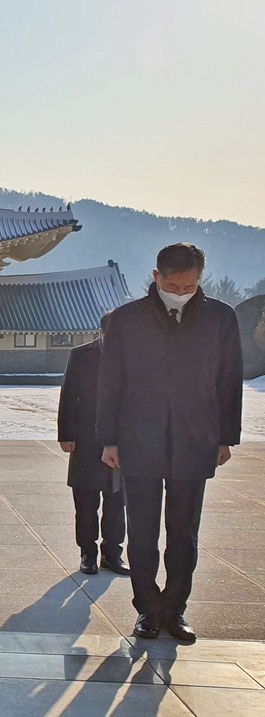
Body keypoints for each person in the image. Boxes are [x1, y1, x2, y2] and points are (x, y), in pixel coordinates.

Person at [97, 243, 242, 643]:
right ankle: (146, 608)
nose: (181, 293)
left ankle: (175, 609)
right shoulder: (128, 320)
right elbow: (111, 383)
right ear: (156, 276)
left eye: (190, 286)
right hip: (138, 438)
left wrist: (226, 437)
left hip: (196, 438)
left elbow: (229, 381)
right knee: (141, 531)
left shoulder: (219, 318)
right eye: (174, 285)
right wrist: (108, 438)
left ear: (200, 280)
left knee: (183, 532)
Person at [58, 312, 129, 577]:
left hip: (121, 441)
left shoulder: (132, 356)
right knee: (86, 501)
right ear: (101, 333)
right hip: (86, 438)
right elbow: (69, 396)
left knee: (116, 500)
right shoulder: (81, 355)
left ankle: (113, 554)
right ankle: (88, 553)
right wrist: (66, 435)